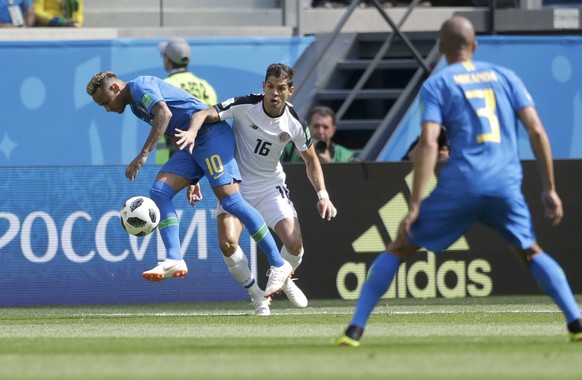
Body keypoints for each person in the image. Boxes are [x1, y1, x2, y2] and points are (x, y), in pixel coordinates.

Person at [334, 16, 582, 347]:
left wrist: (415, 204)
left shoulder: (438, 84)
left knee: (400, 244)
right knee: (530, 250)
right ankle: (575, 321)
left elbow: (430, 143)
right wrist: (549, 188)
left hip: (462, 181)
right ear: (475, 46)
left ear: (440, 47)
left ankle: (355, 330)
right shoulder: (506, 77)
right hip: (505, 182)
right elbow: (537, 130)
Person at [86, 71, 293, 300]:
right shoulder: (135, 105)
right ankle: (174, 258)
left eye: (105, 102)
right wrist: (192, 177)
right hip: (191, 143)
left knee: (231, 201)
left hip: (211, 135)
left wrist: (143, 155)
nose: (107, 108)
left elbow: (164, 114)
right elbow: (173, 128)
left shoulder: (140, 87)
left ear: (115, 88)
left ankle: (278, 263)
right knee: (159, 191)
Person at [178, 63, 338, 316]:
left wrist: (323, 195)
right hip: (234, 186)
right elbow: (202, 115)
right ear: (263, 86)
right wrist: (192, 135)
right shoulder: (244, 105)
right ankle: (257, 297)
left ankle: (284, 278)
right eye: (271, 87)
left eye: (281, 88)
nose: (275, 93)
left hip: (270, 186)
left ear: (290, 91)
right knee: (228, 243)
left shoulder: (295, 123)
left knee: (294, 243)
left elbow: (311, 159)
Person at [156, 37, 218, 165]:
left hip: (173, 156)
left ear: (167, 60)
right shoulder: (206, 86)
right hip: (205, 155)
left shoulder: (164, 86)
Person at [281, 105, 355, 163]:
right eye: (316, 126)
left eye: (325, 127)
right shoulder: (287, 150)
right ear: (308, 127)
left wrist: (329, 165)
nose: (320, 131)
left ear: (333, 130)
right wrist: (300, 159)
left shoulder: (344, 156)